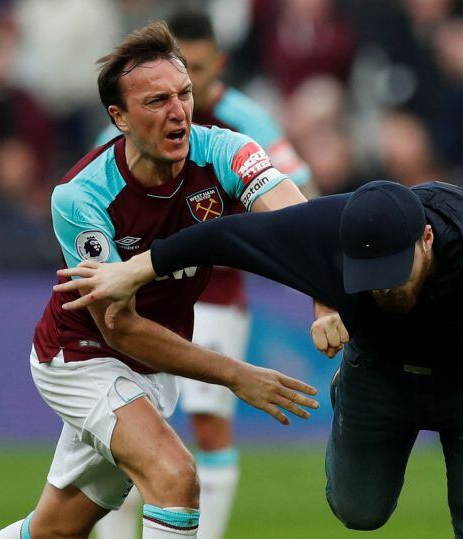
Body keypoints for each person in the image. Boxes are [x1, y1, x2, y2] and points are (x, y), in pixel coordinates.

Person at [57, 180, 463, 538]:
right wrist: (134, 269)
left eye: (393, 273)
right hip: (379, 375)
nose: (383, 290)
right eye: (370, 280)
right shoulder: (324, 230)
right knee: (358, 512)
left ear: (426, 241)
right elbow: (222, 237)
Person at [0, 22, 319, 539]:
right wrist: (236, 374)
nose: (179, 111)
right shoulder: (81, 197)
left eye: (184, 94)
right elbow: (119, 327)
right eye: (157, 100)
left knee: (55, 531)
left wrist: (325, 299)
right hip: (82, 357)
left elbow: (301, 223)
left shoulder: (225, 151)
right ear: (117, 117)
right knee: (175, 475)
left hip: (150, 370)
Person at [93, 10, 314, 539]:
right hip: (144, 296)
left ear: (217, 64)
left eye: (190, 80)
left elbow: (300, 195)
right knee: (136, 430)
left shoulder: (244, 122)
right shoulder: (128, 123)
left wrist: (319, 283)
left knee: (209, 422)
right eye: (164, 86)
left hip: (215, 292)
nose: (176, 101)